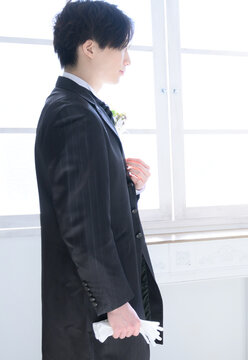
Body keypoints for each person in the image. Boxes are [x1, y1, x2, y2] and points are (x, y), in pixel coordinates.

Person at [34, 1, 163, 359]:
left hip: (99, 304)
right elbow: (82, 224)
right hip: (94, 311)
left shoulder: (81, 106)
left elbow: (86, 202)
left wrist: (125, 186)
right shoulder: (73, 113)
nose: (128, 59)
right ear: (89, 47)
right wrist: (115, 302)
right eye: (122, 47)